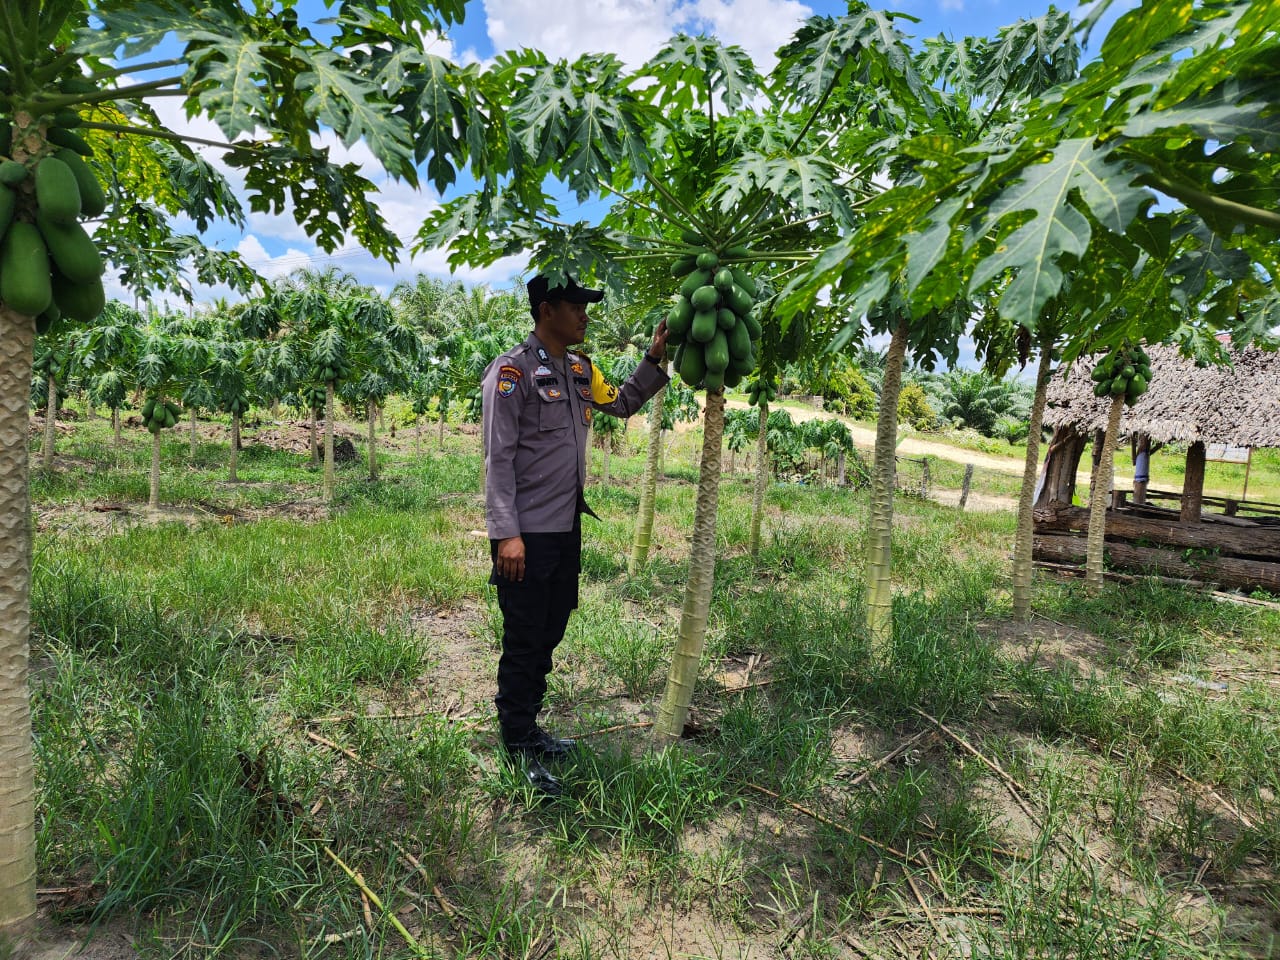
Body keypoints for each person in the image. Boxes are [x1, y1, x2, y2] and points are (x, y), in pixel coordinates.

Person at [481, 274, 670, 796]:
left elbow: (624, 402)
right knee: (524, 637)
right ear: (546, 311)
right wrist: (506, 535)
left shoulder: (582, 372)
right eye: (575, 307)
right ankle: (516, 740)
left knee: (552, 628)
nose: (585, 315)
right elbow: (497, 459)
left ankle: (528, 726)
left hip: (565, 526)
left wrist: (654, 359)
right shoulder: (512, 372)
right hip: (526, 533)